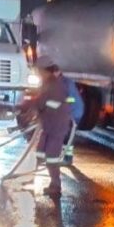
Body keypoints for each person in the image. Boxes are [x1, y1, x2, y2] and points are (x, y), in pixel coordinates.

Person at [31, 55, 77, 198]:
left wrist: (29, 107)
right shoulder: (49, 83)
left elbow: (42, 102)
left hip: (56, 126)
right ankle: (29, 177)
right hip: (50, 125)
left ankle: (55, 186)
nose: (37, 73)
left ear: (45, 70)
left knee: (51, 157)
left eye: (38, 70)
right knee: (39, 151)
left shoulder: (54, 85)